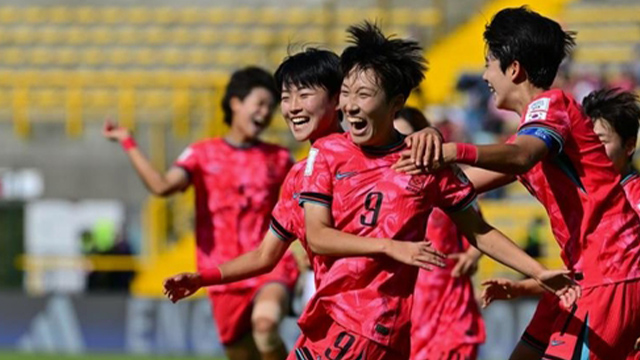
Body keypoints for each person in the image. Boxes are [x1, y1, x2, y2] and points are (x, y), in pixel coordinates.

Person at [295, 21, 577, 360]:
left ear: (395, 103)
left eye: (364, 95)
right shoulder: (327, 153)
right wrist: (390, 246)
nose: (350, 105)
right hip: (329, 318)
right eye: (346, 93)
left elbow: (480, 231)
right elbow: (318, 237)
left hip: (366, 323)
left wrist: (538, 271)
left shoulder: (427, 163)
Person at [161, 49, 446, 357]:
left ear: (339, 99)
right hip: (331, 318)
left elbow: (421, 156)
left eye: (304, 95)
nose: (292, 108)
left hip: (370, 322)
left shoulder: (373, 152)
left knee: (265, 326)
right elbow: (264, 255)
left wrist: (431, 136)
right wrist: (201, 278)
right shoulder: (300, 175)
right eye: (285, 98)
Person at [402, 7, 640, 359]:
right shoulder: (530, 135)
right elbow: (462, 184)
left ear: (513, 69)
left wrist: (452, 149)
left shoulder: (552, 106)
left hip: (610, 272)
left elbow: (520, 158)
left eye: (488, 64)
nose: (484, 76)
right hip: (581, 277)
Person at [103, 66, 299, 360]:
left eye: (270, 107)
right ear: (235, 102)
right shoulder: (202, 154)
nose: (265, 113)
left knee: (265, 324)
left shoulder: (280, 158)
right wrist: (127, 141)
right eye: (259, 103)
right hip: (222, 273)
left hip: (269, 264)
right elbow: (161, 186)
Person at [481, 87, 640, 359]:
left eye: (601, 142)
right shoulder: (576, 184)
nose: (595, 152)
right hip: (571, 293)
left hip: (611, 302)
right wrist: (522, 287)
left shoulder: (634, 195)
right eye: (590, 143)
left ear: (629, 146)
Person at [394, 107, 486, 360]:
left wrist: (471, 256)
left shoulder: (446, 180)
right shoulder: (382, 187)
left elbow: (480, 227)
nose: (400, 150)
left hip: (449, 299)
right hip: (406, 301)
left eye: (406, 140)